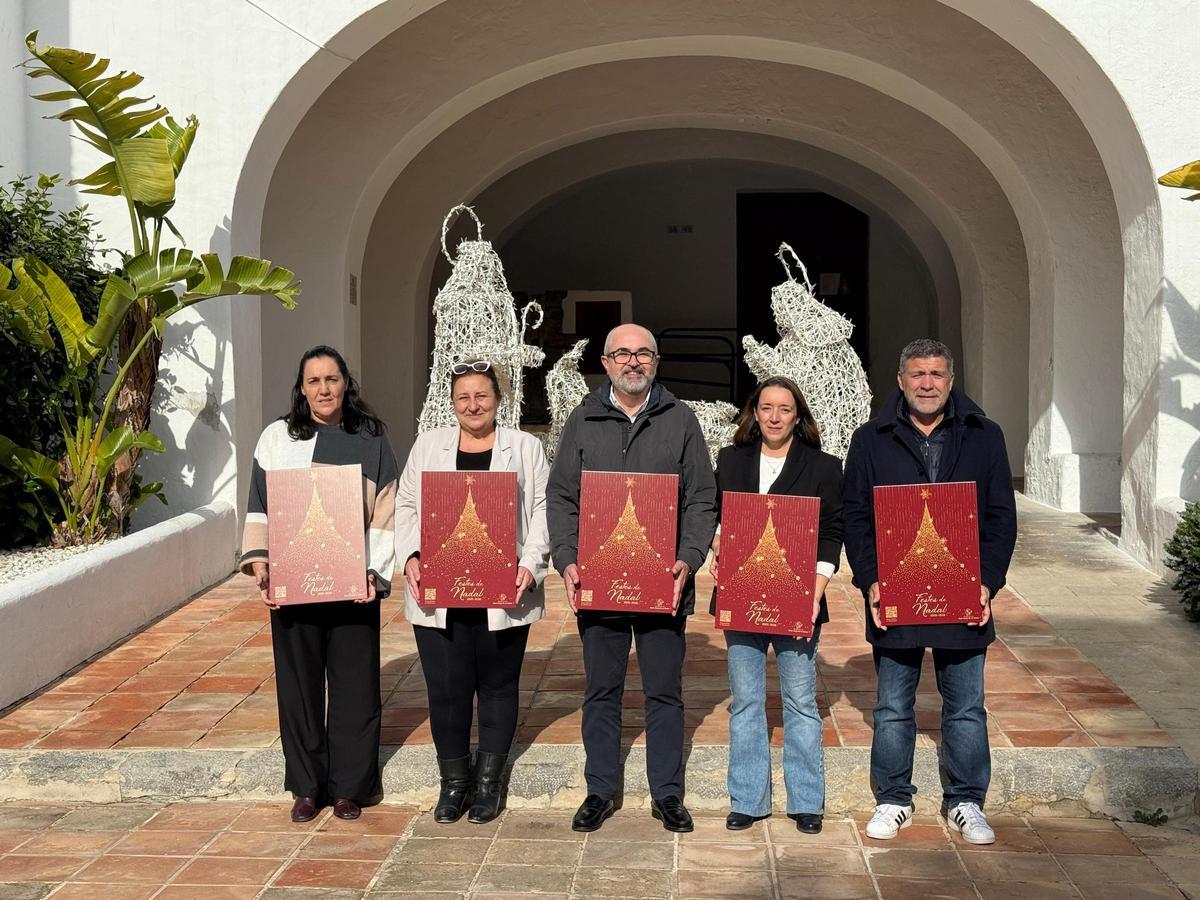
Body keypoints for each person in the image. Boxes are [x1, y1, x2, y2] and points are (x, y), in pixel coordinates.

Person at [842, 338, 1017, 845]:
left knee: (964, 706)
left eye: (937, 374)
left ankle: (966, 800)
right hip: (894, 595)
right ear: (900, 380)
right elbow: (857, 518)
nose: (927, 383)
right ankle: (893, 798)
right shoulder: (870, 439)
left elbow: (1001, 518)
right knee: (893, 705)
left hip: (965, 596)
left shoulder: (986, 437)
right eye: (917, 374)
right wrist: (870, 579)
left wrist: (988, 583)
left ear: (951, 380)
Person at [547, 323, 717, 834]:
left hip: (664, 582)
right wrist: (566, 558)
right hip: (600, 583)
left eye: (643, 353)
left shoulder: (681, 420)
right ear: (605, 362)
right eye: (622, 353)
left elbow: (702, 497)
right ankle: (599, 789)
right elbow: (561, 497)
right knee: (602, 689)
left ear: (657, 362)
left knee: (664, 692)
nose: (633, 361)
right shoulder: (583, 418)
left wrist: (689, 558)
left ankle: (667, 794)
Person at [240, 345, 398, 823]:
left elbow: (387, 509)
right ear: (301, 388)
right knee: (299, 687)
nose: (324, 389)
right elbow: (259, 503)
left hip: (354, 583)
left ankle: (351, 787)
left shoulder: (370, 437)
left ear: (346, 384)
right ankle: (307, 786)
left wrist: (375, 572)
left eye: (332, 379)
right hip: (296, 584)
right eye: (314, 381)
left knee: (354, 685)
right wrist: (262, 562)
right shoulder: (275, 438)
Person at [394, 359, 550, 824]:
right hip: (440, 590)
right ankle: (454, 783)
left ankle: (488, 785)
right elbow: (406, 503)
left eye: (482, 395)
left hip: (504, 589)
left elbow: (542, 509)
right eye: (463, 397)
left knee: (498, 687)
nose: (473, 405)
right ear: (452, 403)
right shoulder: (428, 446)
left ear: (498, 400)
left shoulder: (525, 448)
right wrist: (410, 557)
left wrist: (530, 564)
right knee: (446, 690)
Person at [710, 377, 843, 834]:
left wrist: (817, 588)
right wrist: (717, 544)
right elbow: (713, 514)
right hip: (742, 596)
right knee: (746, 701)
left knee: (801, 702)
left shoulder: (824, 467)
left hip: (798, 598)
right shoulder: (730, 460)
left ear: (798, 416)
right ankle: (748, 800)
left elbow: (832, 530)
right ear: (754, 412)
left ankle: (807, 801)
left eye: (784, 409)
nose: (773, 417)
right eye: (766, 407)